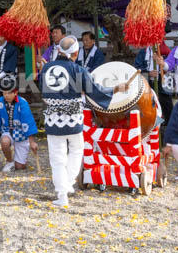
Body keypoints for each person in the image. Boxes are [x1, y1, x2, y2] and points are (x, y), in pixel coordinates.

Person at [41, 36, 126, 207]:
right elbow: (95, 91)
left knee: (57, 158)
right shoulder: (77, 70)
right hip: (73, 120)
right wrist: (116, 88)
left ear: (58, 50)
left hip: (53, 120)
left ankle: (62, 193)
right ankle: (67, 185)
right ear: (75, 52)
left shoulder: (46, 69)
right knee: (76, 151)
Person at [0, 76, 38, 172]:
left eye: (9, 93)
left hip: (22, 134)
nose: (6, 96)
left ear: (15, 92)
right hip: (7, 131)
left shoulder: (22, 103)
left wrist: (32, 142)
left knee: (20, 167)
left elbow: (27, 122)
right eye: (4, 93)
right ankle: (9, 161)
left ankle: (20, 161)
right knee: (4, 142)